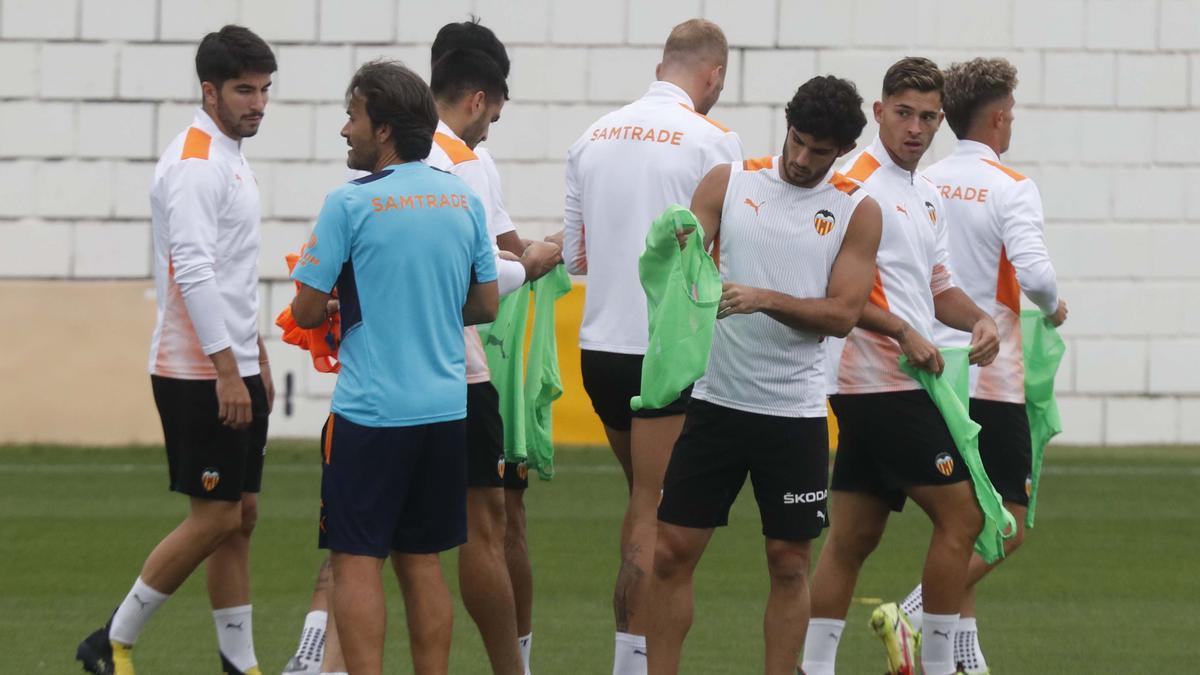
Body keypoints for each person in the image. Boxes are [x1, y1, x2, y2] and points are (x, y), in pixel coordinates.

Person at [645, 76, 882, 675]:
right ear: (786, 124)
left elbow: (843, 315)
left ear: (844, 151)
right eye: (797, 141)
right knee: (671, 553)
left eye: (819, 151)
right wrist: (679, 242)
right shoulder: (731, 180)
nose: (802, 160)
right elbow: (686, 247)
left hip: (794, 414)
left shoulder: (857, 209)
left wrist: (763, 298)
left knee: (789, 561)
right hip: (717, 400)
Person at [75, 25, 276, 675]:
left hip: (235, 363)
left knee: (240, 515)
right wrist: (225, 368)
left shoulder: (228, 153)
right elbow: (191, 271)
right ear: (209, 90)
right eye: (245, 90)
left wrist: (257, 354)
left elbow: (233, 270)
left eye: (265, 90)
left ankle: (237, 662)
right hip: (197, 370)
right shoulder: (194, 162)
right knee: (216, 515)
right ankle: (111, 637)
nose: (258, 103)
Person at [289, 59, 498, 675]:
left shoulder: (349, 203)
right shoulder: (461, 196)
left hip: (372, 413)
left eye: (352, 116)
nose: (344, 129)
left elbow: (304, 310)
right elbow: (485, 303)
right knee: (423, 561)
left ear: (382, 129)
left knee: (356, 561)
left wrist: (333, 301)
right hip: (444, 408)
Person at [800, 57, 1000, 675]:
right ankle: (939, 664)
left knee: (853, 537)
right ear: (881, 112)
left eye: (928, 117)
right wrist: (905, 333)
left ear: (941, 120)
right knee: (964, 517)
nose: (916, 128)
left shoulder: (928, 192)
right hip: (874, 379)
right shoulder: (853, 181)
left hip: (903, 381)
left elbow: (939, 285)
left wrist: (979, 320)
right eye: (904, 113)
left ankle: (813, 665)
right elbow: (840, 287)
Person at [559, 18, 743, 673]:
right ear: (714, 74)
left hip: (599, 348)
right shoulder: (716, 140)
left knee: (645, 499)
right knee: (657, 519)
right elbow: (728, 252)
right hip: (665, 351)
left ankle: (631, 656)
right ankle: (632, 664)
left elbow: (575, 256)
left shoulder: (591, 135)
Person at [883, 57, 1067, 675]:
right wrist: (1053, 304)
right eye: (1010, 114)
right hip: (992, 372)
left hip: (937, 377)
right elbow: (1036, 272)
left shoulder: (924, 181)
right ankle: (912, 611)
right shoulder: (1011, 185)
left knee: (965, 521)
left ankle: (966, 660)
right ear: (995, 118)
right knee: (1007, 521)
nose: (1011, 124)